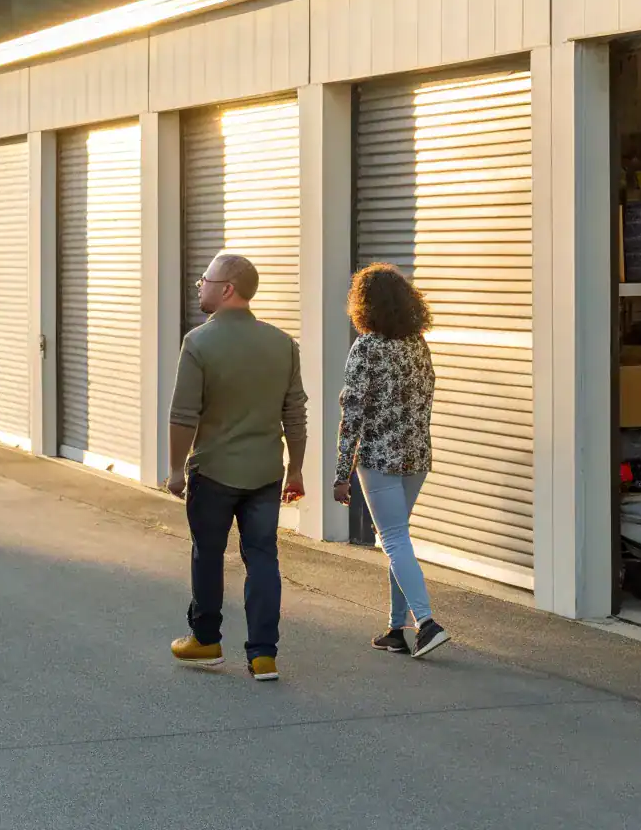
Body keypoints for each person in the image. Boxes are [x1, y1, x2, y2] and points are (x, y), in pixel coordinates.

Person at [165, 253, 307, 682]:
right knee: (263, 557)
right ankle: (264, 655)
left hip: (213, 472)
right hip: (266, 473)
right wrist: (295, 469)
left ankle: (205, 641)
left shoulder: (199, 343)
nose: (199, 286)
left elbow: (183, 414)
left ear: (227, 288)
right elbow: (295, 413)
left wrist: (175, 469)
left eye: (205, 280)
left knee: (208, 554)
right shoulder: (283, 344)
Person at [334, 262, 449, 659]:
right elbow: (427, 397)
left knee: (393, 539)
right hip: (417, 455)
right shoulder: (418, 343)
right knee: (399, 537)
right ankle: (396, 630)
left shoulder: (367, 346)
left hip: (380, 458)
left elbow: (353, 412)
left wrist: (340, 473)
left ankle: (427, 622)